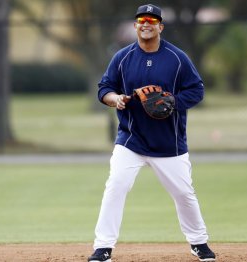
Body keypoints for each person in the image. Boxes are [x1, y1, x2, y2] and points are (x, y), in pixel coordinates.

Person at [88, 4, 216, 262]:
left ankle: (198, 242)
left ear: (160, 26)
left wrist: (172, 102)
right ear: (136, 26)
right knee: (116, 186)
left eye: (152, 19)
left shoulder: (177, 58)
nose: (146, 23)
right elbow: (104, 88)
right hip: (130, 139)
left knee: (183, 193)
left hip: (169, 143)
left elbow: (197, 90)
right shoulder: (122, 57)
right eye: (141, 20)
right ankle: (103, 247)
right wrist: (116, 100)